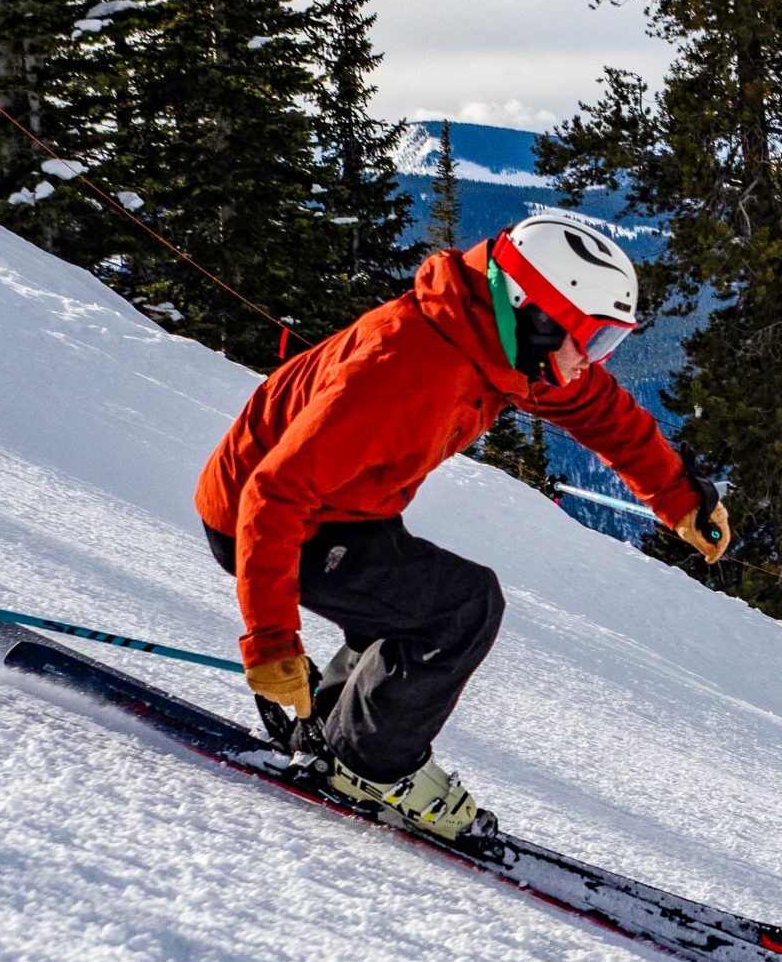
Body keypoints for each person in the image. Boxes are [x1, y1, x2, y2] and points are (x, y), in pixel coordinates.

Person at [195, 216, 729, 836]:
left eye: (605, 343)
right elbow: (275, 491)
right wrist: (271, 640)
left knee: (408, 601)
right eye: (592, 338)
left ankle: (330, 728)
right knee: (461, 609)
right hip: (262, 520)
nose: (592, 360)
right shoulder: (404, 367)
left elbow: (599, 409)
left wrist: (679, 495)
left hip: (341, 511)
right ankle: (368, 763)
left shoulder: (499, 345)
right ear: (536, 313)